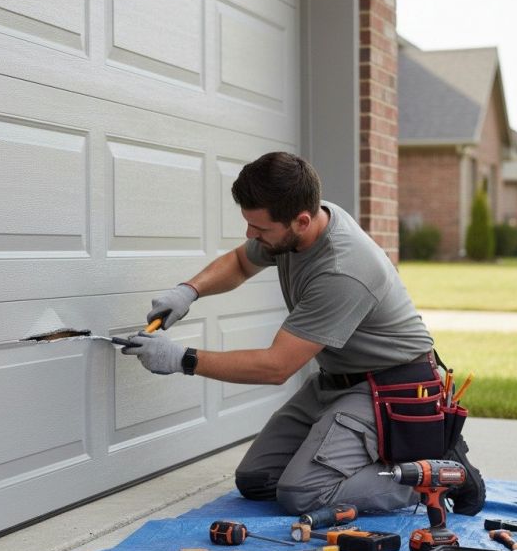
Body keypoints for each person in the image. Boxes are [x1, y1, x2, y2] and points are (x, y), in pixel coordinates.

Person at [122, 152, 485, 516]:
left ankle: (439, 473)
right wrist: (188, 291)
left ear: (301, 221)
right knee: (257, 480)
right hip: (337, 380)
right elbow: (241, 262)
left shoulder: (342, 270)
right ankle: (391, 457)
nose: (250, 235)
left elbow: (276, 367)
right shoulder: (300, 226)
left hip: (393, 388)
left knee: (303, 493)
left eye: (259, 229)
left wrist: (182, 359)